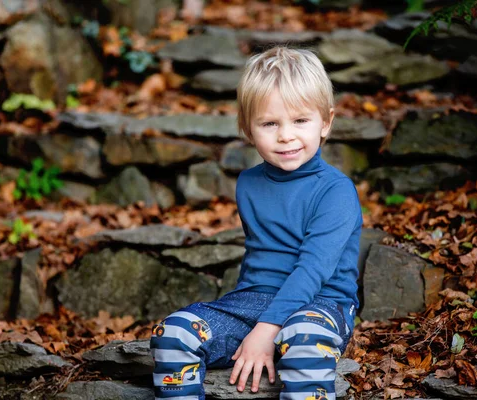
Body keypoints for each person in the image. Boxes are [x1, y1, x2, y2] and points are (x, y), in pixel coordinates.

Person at [150, 46, 362, 400]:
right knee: (175, 333)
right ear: (247, 129)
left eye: (300, 121)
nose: (285, 135)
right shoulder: (248, 183)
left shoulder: (336, 191)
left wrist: (267, 331)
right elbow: (263, 260)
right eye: (269, 123)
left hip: (322, 305)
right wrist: (255, 325)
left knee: (304, 338)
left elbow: (313, 269)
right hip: (251, 302)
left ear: (325, 122)